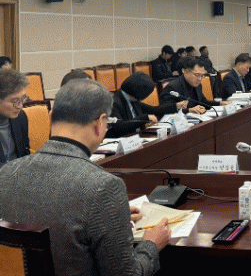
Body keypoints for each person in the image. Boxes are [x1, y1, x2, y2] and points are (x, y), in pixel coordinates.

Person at [0, 79, 171, 275]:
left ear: (51, 117)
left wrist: (110, 217)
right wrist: (151, 244)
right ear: (100, 123)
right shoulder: (103, 187)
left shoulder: (6, 173)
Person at [108, 73, 185, 137]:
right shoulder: (114, 103)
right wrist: (145, 117)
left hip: (138, 137)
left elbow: (154, 110)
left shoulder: (133, 99)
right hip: (122, 140)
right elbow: (119, 126)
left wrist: (176, 106)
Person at [160, 57, 226, 113]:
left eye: (202, 75)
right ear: (185, 71)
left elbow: (203, 102)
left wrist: (220, 103)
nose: (200, 79)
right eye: (197, 75)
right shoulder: (172, 87)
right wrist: (189, 110)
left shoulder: (198, 85)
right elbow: (165, 110)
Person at [0, 69, 30, 166]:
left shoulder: (20, 118)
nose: (20, 106)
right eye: (15, 101)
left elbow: (24, 153)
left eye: (23, 99)